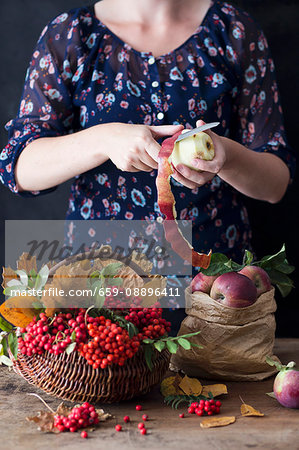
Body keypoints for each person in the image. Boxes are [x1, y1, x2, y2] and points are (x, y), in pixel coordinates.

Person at [0, 0, 296, 314]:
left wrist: (227, 156)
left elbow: (276, 183)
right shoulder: (71, 34)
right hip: (100, 292)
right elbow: (18, 167)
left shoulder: (232, 31)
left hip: (215, 291)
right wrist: (104, 139)